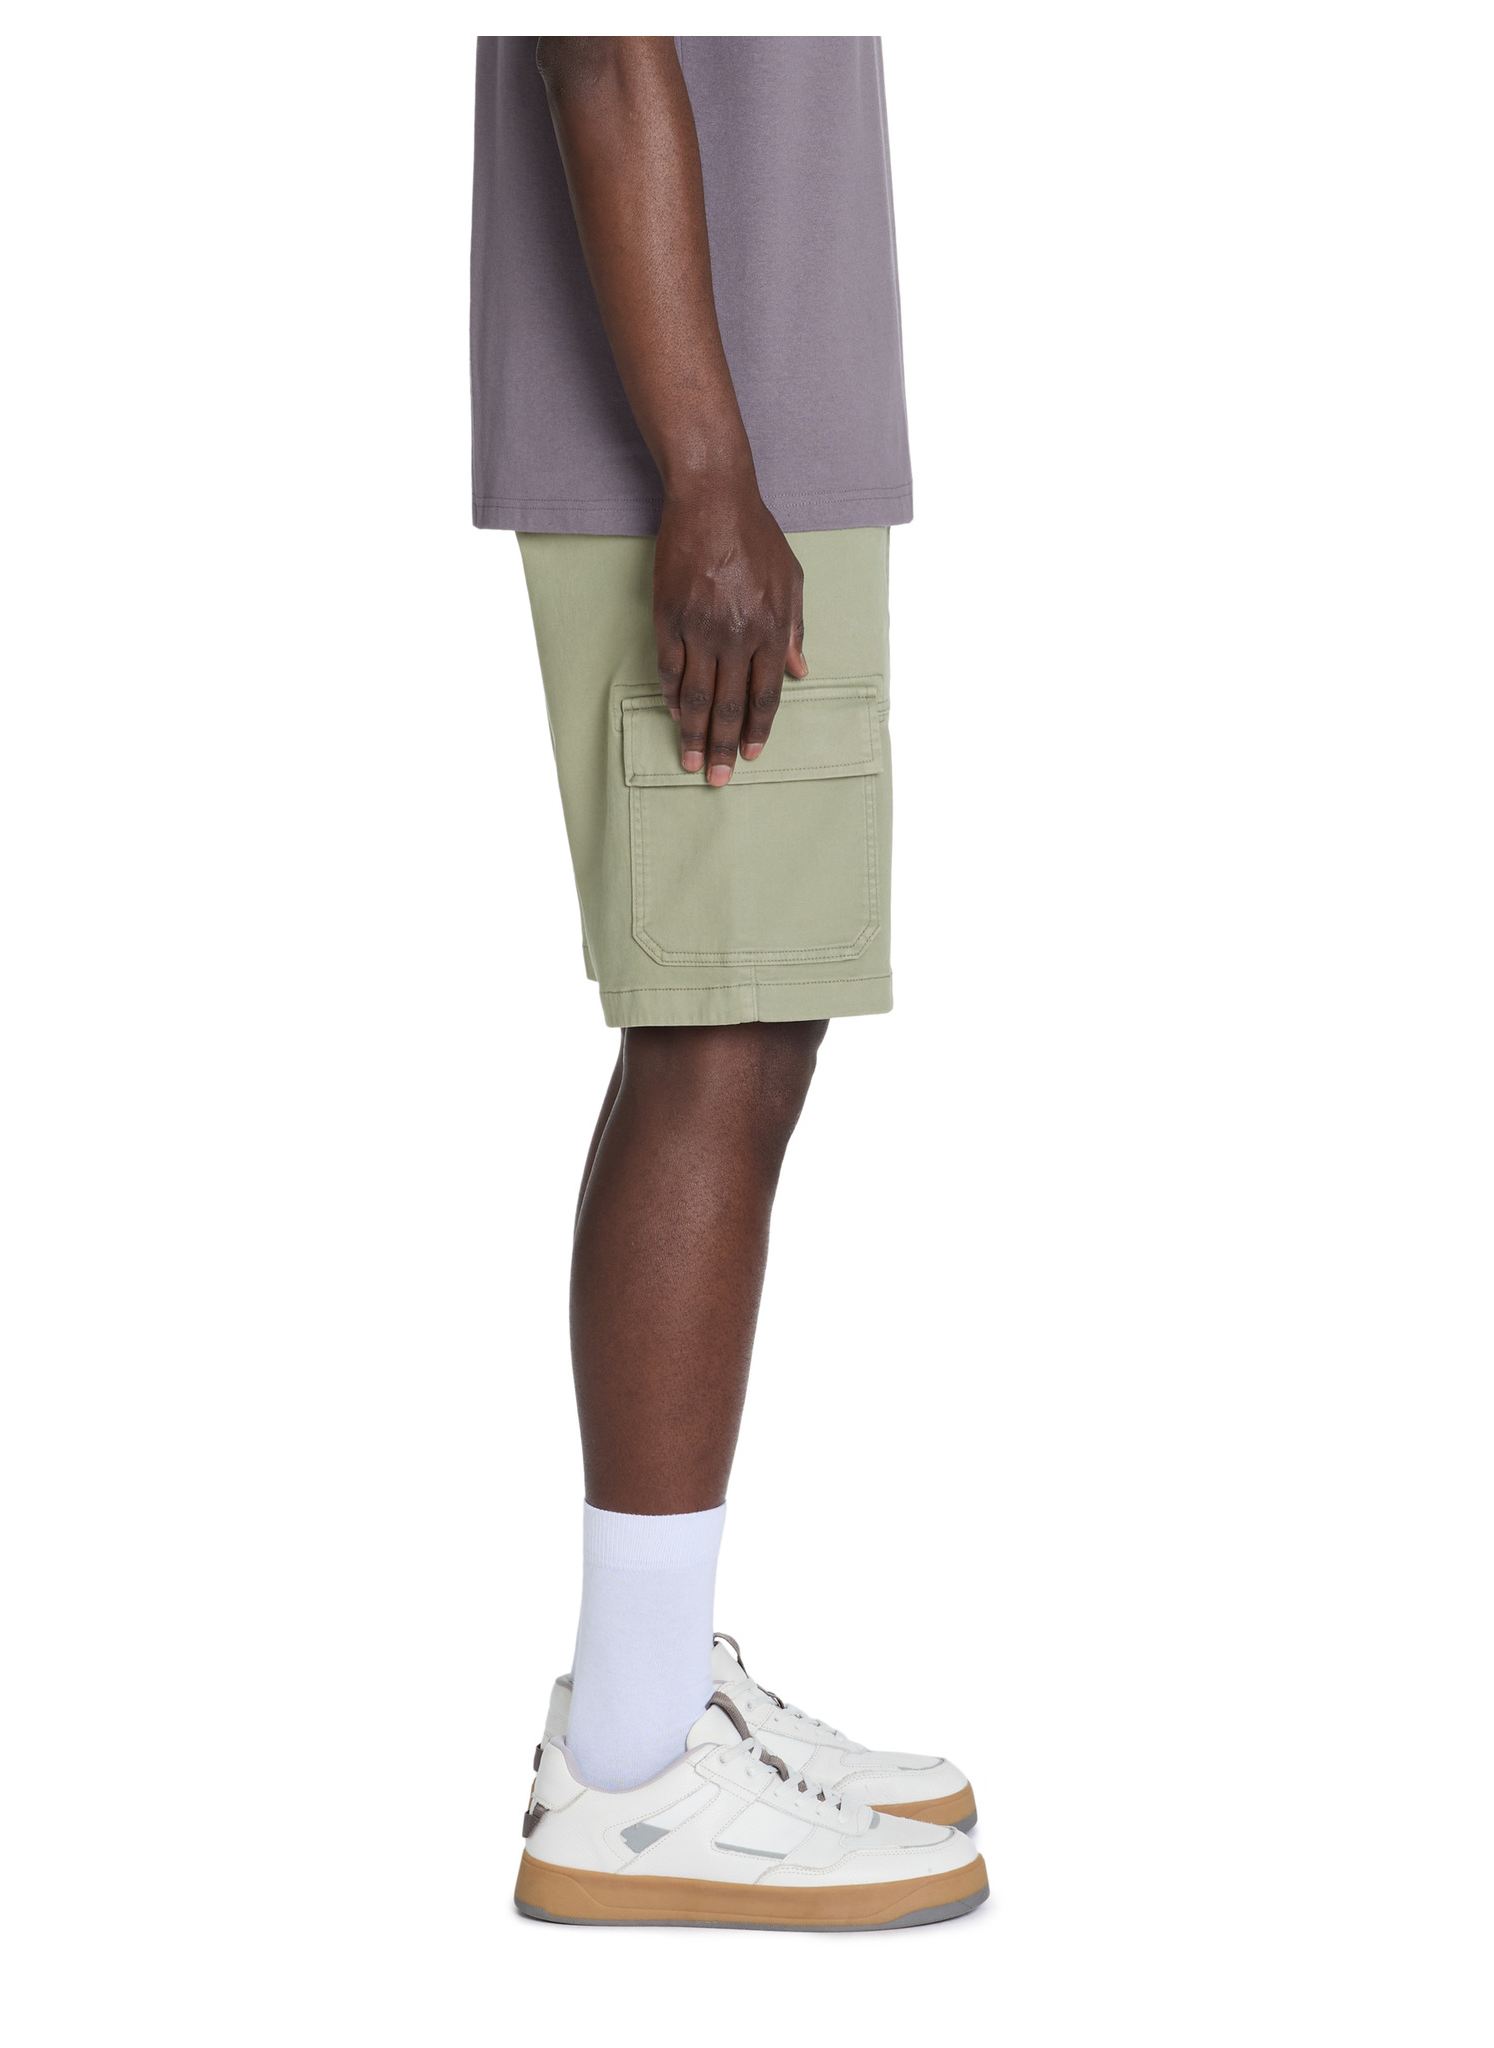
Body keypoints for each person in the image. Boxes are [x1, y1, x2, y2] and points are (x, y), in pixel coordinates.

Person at [472, 35, 987, 1930]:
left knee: (750, 1030)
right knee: (718, 1030)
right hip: (694, 449)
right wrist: (705, 469)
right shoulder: (703, 467)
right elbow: (598, 51)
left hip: (750, 430)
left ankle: (652, 1683)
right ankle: (628, 1774)